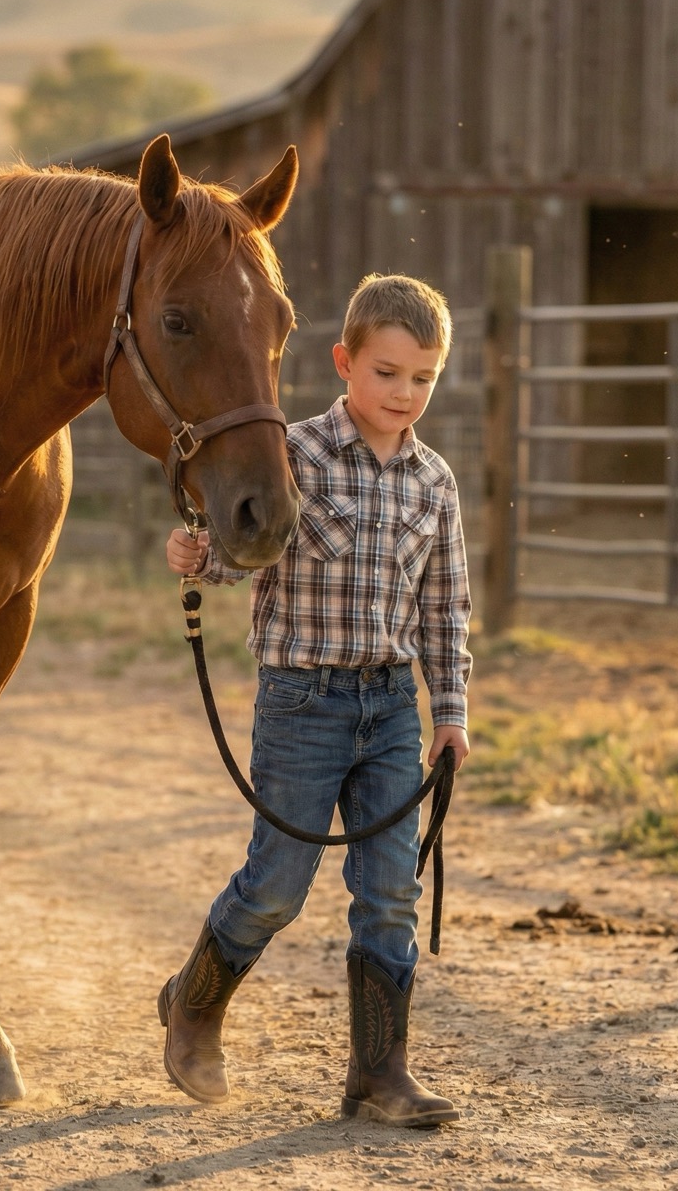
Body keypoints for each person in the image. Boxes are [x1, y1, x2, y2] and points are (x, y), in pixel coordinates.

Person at [158, 273, 472, 1128]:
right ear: (344, 363)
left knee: (391, 892)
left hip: (391, 708)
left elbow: (446, 607)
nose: (403, 393)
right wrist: (201, 558)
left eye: (422, 378)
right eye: (386, 373)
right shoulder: (294, 453)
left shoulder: (435, 483)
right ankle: (192, 1005)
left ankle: (380, 1074)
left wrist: (450, 712)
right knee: (277, 884)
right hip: (303, 704)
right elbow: (243, 549)